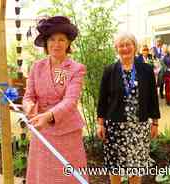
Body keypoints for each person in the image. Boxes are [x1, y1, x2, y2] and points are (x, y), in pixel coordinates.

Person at [23, 16, 88, 183]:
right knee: (43, 176)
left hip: (66, 132)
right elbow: (28, 96)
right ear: (46, 43)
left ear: (68, 44)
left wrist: (48, 116)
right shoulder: (36, 67)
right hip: (41, 131)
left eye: (61, 39)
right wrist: (28, 105)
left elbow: (70, 101)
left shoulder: (76, 69)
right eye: (52, 39)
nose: (56, 44)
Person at [97, 32, 160, 184]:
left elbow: (153, 97)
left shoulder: (146, 69)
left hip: (139, 126)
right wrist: (100, 123)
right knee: (115, 163)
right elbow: (102, 99)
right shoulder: (110, 70)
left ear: (135, 47)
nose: (125, 48)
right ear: (116, 48)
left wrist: (155, 123)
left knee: (136, 163)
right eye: (121, 45)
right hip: (115, 126)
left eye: (128, 44)